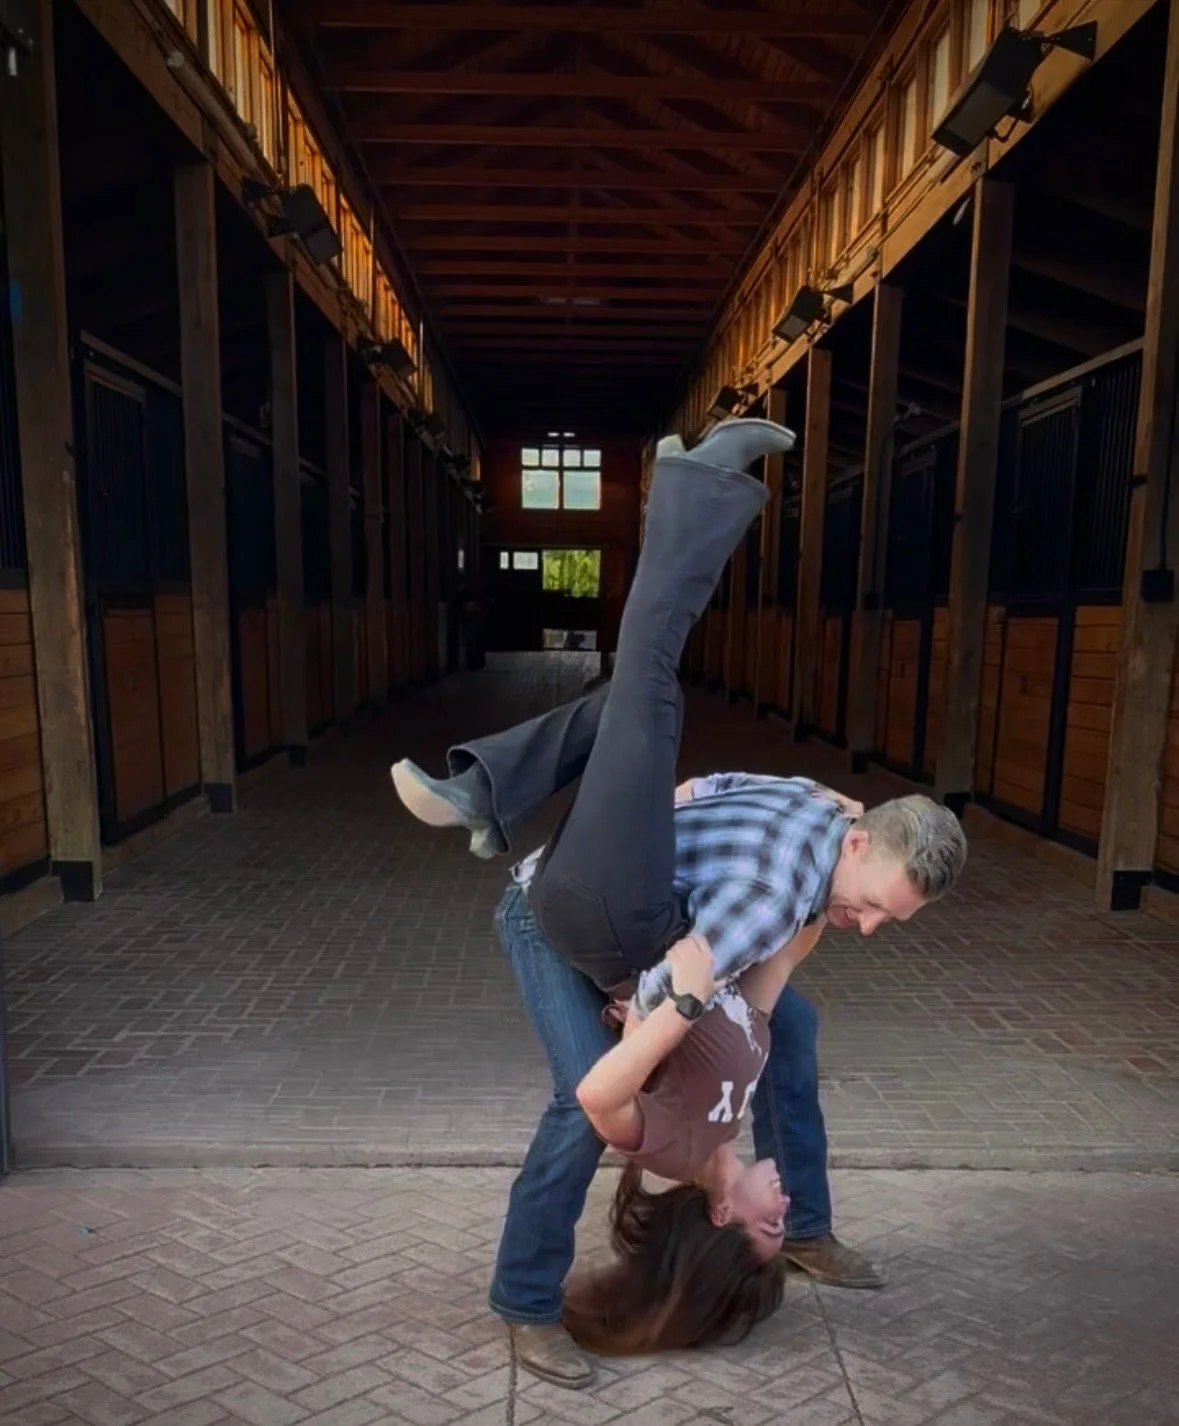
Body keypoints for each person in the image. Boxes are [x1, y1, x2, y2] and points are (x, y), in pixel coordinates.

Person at [392, 419, 968, 1385]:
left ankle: (801, 1228)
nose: (861, 926)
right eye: (869, 906)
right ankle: (525, 1303)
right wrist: (656, 1016)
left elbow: (703, 795)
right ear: (859, 843)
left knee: (791, 1027)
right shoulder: (772, 895)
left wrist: (634, 811)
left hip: (642, 902)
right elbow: (689, 979)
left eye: (878, 920)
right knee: (580, 1106)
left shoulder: (817, 807)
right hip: (564, 923)